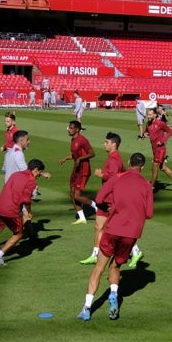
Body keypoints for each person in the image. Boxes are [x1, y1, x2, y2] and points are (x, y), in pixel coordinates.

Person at [77, 153, 154, 322]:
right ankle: (113, 294)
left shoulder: (118, 178)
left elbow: (98, 198)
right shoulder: (146, 185)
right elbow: (149, 213)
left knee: (98, 268)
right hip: (132, 233)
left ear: (128, 163)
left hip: (113, 229)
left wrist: (114, 205)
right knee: (116, 266)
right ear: (142, 167)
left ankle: (87, 308)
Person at [80, 132, 144, 268]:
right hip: (107, 199)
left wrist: (101, 174)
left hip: (110, 200)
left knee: (115, 228)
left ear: (114, 144)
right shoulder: (113, 158)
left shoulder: (114, 160)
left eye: (106, 142)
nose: (104, 144)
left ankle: (135, 251)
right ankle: (95, 254)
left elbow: (115, 179)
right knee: (98, 226)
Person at [59, 120, 96, 225]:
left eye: (71, 128)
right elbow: (75, 155)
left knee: (77, 196)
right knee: (72, 193)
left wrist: (80, 159)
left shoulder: (82, 140)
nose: (69, 130)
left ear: (77, 129)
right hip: (76, 169)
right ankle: (82, 217)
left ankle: (96, 206)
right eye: (69, 128)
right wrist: (66, 158)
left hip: (83, 170)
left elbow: (92, 153)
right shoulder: (73, 140)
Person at [145, 107, 172, 192]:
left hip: (160, 149)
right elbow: (147, 132)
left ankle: (151, 186)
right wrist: (145, 134)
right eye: (148, 114)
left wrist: (162, 140)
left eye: (150, 114)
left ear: (155, 115)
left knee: (154, 167)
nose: (148, 116)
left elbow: (170, 132)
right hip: (154, 149)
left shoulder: (160, 123)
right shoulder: (148, 124)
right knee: (162, 167)